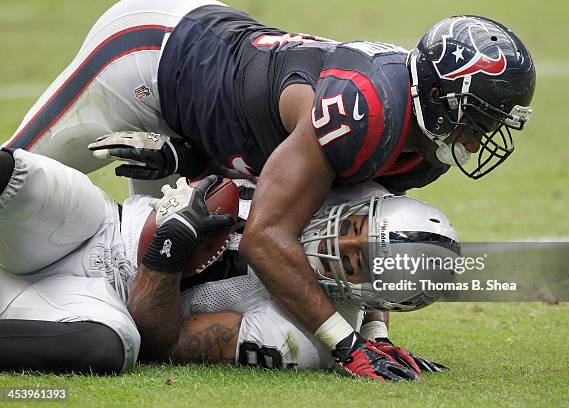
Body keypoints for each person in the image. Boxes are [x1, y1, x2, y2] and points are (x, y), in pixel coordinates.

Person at [2, 0, 536, 378]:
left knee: (119, 314)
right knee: (15, 183)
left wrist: (376, 336)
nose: (481, 137)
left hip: (203, 143)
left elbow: (372, 230)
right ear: (443, 99)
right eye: (478, 119)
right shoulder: (366, 110)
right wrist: (348, 345)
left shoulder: (421, 148)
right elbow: (266, 234)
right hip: (152, 57)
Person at [0, 148, 452, 378]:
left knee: (106, 348)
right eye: (354, 227)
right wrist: (177, 153)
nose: (338, 241)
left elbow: (166, 344)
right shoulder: (325, 182)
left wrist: (166, 258)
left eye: (354, 261)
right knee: (25, 179)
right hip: (100, 224)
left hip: (104, 300)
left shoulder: (304, 339)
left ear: (365, 291)